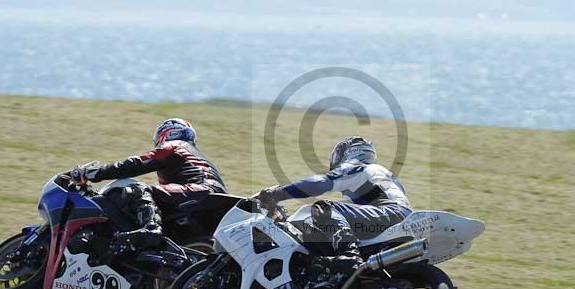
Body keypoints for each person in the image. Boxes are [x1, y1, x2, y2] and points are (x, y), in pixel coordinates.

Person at [257, 136, 411, 276]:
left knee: (324, 208)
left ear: (348, 152)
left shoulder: (357, 166)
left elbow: (319, 184)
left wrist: (278, 194)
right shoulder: (381, 175)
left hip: (390, 212)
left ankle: (350, 255)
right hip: (398, 218)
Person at [69, 118, 227, 253]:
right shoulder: (194, 158)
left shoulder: (175, 145)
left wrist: (94, 173)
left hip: (201, 190)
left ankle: (151, 227)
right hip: (212, 200)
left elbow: (137, 163)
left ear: (167, 133)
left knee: (140, 189)